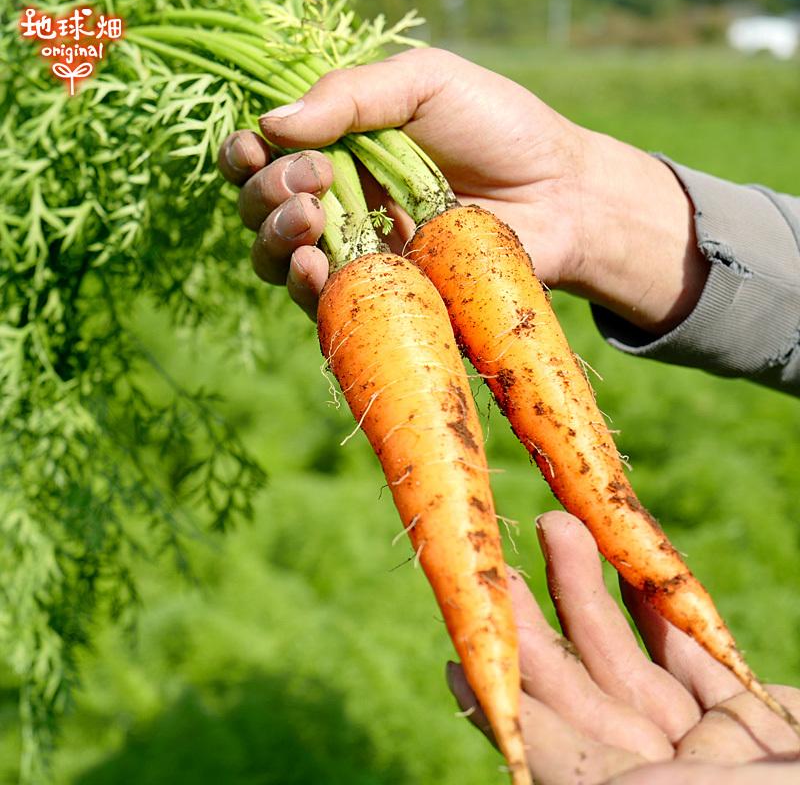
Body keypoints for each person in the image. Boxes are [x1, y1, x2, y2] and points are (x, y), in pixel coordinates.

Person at [217, 48, 800, 782]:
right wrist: (582, 200)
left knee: (600, 489)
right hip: (401, 258)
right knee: (464, 485)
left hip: (423, 244)